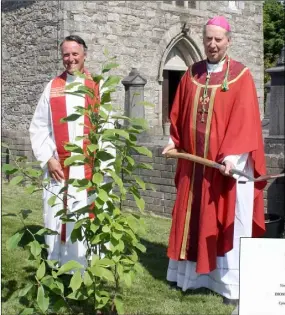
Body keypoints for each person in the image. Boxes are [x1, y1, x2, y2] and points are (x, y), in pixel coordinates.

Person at [162, 16, 267, 314]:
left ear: (228, 41)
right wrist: (175, 141)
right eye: (208, 38)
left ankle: (228, 283)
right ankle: (190, 278)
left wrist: (232, 158)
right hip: (195, 169)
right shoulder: (191, 74)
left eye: (218, 39)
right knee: (192, 217)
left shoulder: (241, 76)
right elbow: (179, 112)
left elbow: (245, 122)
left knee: (228, 221)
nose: (212, 44)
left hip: (226, 170)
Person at [29, 35, 100, 267]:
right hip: (59, 168)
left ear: (84, 55)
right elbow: (39, 126)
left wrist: (103, 165)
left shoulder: (96, 86)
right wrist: (48, 158)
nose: (70, 59)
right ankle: (56, 265)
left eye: (74, 54)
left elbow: (106, 126)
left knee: (84, 215)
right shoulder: (53, 87)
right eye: (66, 55)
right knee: (57, 218)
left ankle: (85, 267)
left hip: (88, 168)